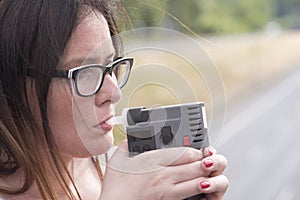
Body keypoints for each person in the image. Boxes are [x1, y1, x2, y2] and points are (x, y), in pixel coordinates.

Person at [0, 1, 228, 199]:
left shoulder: (118, 170)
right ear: (13, 83)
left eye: (110, 66)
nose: (114, 93)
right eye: (85, 72)